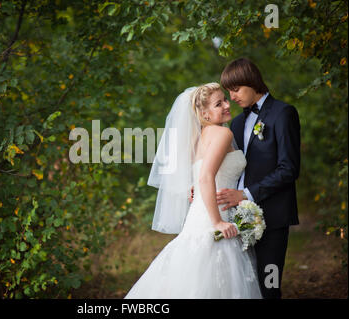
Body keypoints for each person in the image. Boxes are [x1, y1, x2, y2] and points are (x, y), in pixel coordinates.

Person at [124, 83, 262, 299]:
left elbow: (200, 176)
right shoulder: (222, 134)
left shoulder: (199, 137)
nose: (227, 105)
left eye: (225, 99)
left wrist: (195, 189)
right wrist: (217, 223)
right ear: (204, 113)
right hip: (214, 217)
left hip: (198, 216)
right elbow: (205, 177)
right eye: (219, 103)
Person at [215, 58, 301, 299]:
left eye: (236, 89)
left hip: (272, 217)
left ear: (252, 82)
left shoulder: (284, 113)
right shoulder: (237, 121)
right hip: (236, 218)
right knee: (242, 286)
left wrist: (246, 194)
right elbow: (229, 167)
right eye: (229, 91)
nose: (232, 97)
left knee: (269, 286)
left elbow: (289, 169)